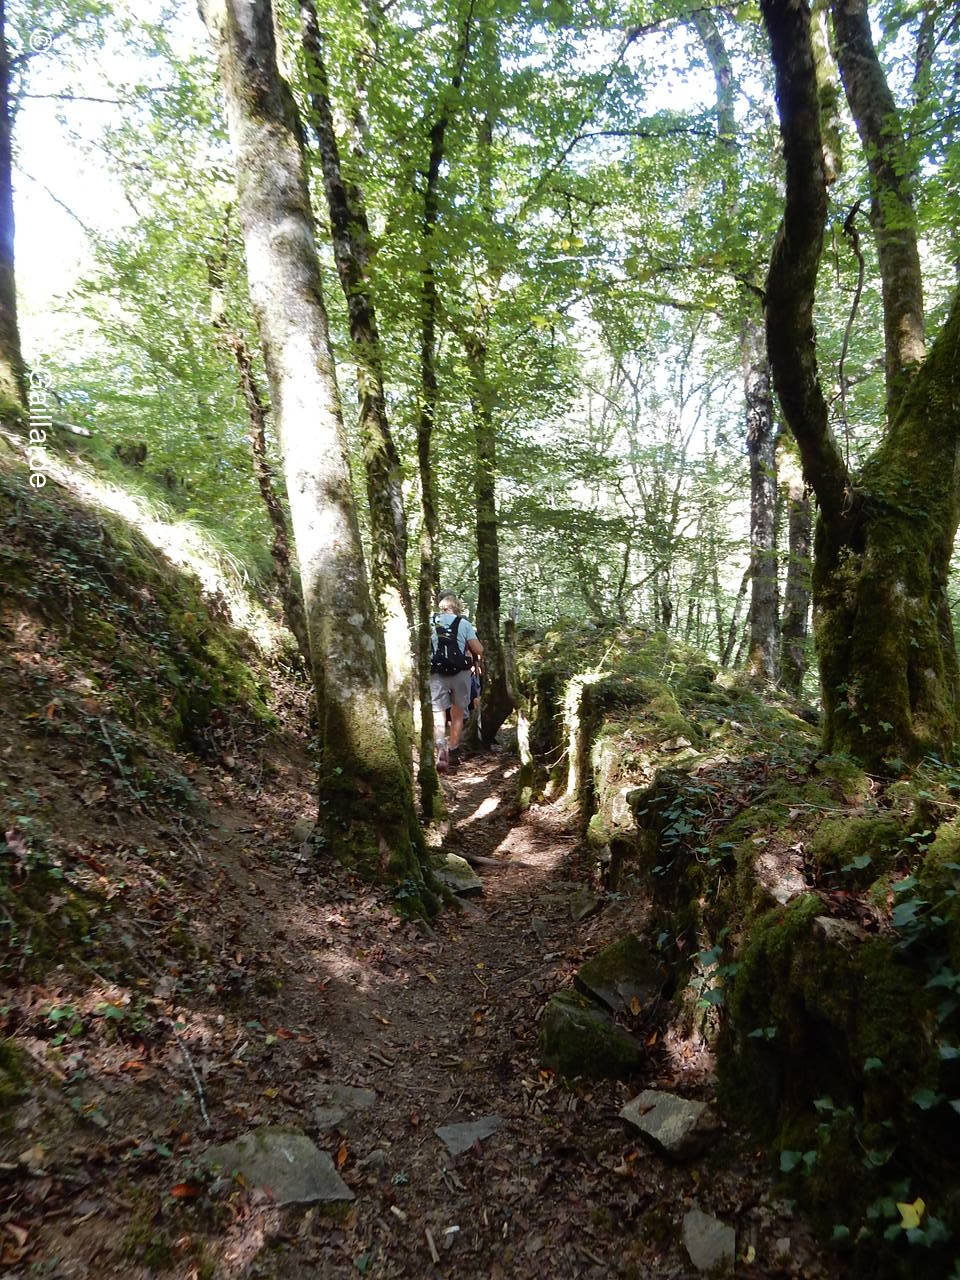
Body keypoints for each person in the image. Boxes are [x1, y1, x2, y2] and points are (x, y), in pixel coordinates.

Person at [430, 591, 483, 773]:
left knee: (438, 712)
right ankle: (453, 750)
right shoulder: (464, 623)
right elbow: (478, 649)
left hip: (437, 673)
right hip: (461, 673)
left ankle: (440, 746)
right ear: (456, 607)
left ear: (441, 606)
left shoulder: (431, 622)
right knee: (457, 714)